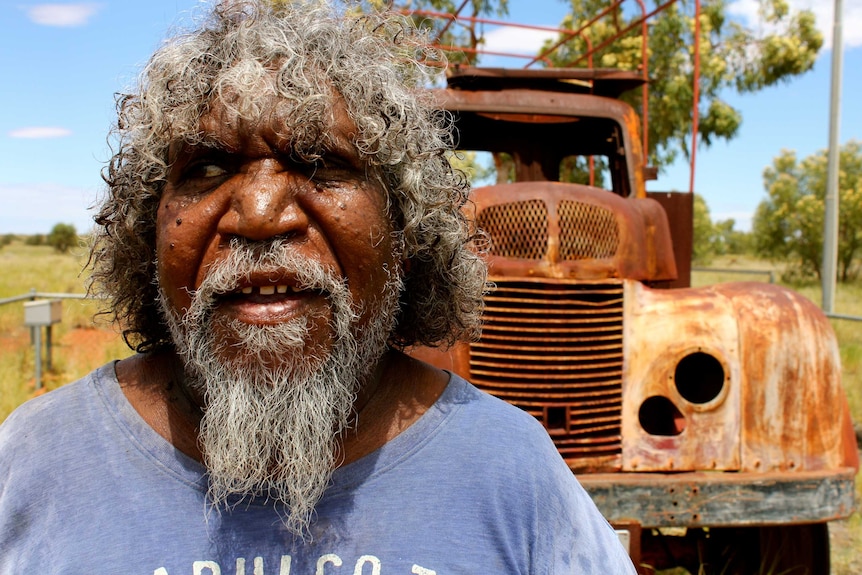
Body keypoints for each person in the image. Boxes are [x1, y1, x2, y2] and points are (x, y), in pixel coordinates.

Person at [0, 1, 637, 573]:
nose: (259, 213)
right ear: (148, 229)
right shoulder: (36, 460)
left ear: (405, 227)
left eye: (321, 164)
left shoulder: (509, 469)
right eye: (209, 166)